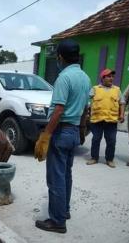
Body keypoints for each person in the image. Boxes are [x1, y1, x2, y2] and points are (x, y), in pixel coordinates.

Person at [34, 39, 91, 233]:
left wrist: (46, 135)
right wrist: (82, 129)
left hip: (61, 131)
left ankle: (57, 221)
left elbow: (58, 110)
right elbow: (85, 108)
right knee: (66, 174)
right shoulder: (85, 77)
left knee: (55, 178)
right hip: (74, 130)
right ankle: (64, 211)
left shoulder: (64, 78)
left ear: (60, 57)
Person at [86, 68, 125, 168]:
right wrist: (87, 112)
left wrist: (121, 115)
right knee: (96, 139)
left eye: (112, 76)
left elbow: (122, 103)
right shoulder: (95, 89)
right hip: (97, 120)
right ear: (102, 78)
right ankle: (94, 158)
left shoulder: (117, 90)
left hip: (111, 120)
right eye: (108, 76)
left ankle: (109, 159)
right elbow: (86, 100)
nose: (111, 78)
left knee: (111, 141)